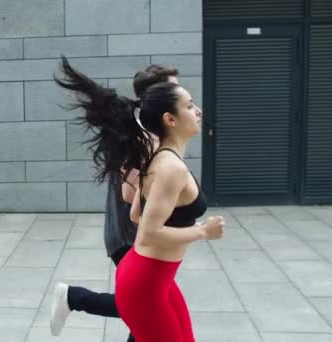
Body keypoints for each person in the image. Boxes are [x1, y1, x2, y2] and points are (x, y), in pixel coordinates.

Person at [55, 56, 225, 342]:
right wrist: (202, 232)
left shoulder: (161, 157)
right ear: (169, 118)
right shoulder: (167, 164)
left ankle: (73, 298)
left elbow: (136, 214)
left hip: (152, 277)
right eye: (189, 105)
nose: (198, 111)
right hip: (144, 280)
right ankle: (74, 298)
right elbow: (146, 229)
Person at [50, 65, 181, 342]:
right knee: (151, 309)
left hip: (139, 237)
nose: (181, 93)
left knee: (150, 311)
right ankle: (74, 297)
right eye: (174, 89)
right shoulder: (143, 137)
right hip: (129, 237)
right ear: (155, 97)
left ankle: (73, 297)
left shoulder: (148, 132)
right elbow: (128, 192)